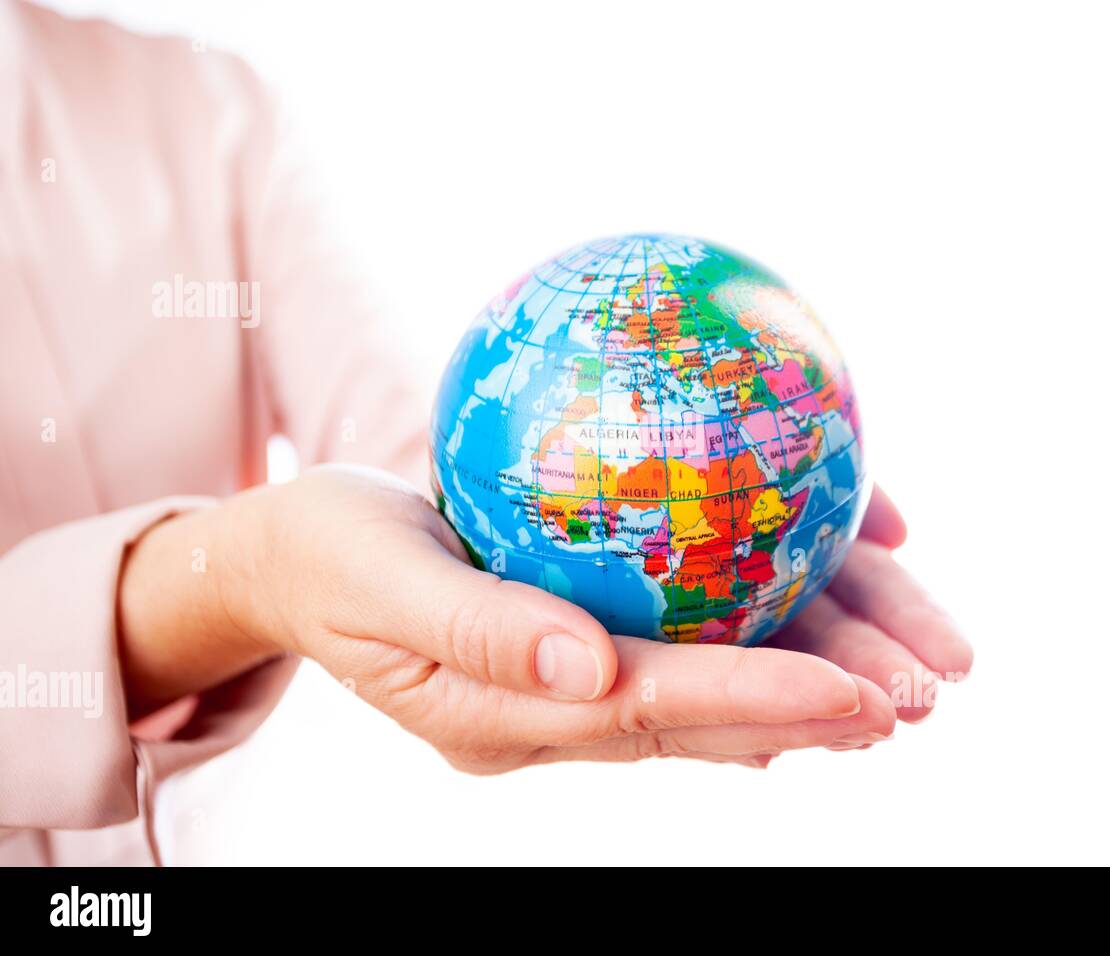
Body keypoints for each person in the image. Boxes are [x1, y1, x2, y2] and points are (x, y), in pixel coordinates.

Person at [0, 0, 973, 866]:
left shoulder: (207, 107)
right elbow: (311, 538)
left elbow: (411, 446)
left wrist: (642, 464)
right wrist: (250, 573)